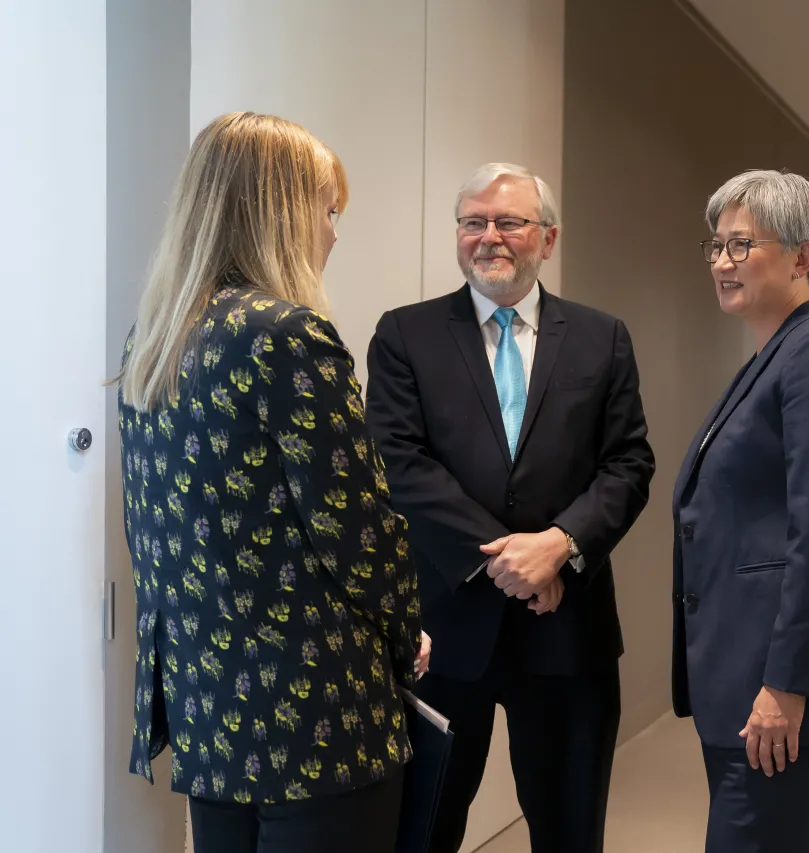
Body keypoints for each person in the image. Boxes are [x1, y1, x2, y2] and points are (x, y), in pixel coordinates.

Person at [114, 112, 430, 853]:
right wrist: (404, 627)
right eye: (327, 208)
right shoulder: (287, 336)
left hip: (209, 708)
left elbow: (156, 529)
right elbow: (358, 530)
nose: (334, 231)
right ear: (279, 212)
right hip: (315, 716)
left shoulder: (156, 339)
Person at [366, 162, 655, 853]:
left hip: (567, 631)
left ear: (547, 238)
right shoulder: (405, 335)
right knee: (423, 830)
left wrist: (559, 543)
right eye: (473, 222)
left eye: (509, 222)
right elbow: (401, 466)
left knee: (569, 832)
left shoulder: (601, 337)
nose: (488, 236)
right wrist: (510, 561)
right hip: (443, 632)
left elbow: (629, 463)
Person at [671, 170, 809, 853]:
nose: (720, 261)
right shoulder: (775, 357)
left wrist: (786, 684)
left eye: (741, 245)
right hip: (742, 676)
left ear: (803, 256)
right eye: (715, 245)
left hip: (780, 691)